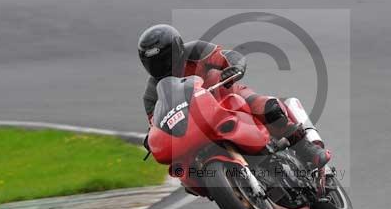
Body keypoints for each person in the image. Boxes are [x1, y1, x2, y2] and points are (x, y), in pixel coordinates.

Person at [138, 24, 331, 169]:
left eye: (165, 58)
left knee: (268, 108)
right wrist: (152, 137)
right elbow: (156, 122)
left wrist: (234, 67)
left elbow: (227, 56)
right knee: (183, 168)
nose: (161, 66)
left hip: (226, 96)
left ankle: (305, 149)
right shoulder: (152, 93)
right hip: (196, 126)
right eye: (153, 63)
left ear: (178, 48)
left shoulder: (195, 51)